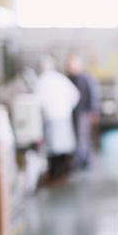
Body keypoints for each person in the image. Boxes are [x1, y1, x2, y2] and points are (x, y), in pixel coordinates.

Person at [34, 55, 80, 183]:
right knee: (64, 147)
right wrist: (68, 107)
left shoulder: (42, 80)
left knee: (53, 149)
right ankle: (62, 175)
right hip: (64, 115)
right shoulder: (60, 78)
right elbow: (75, 95)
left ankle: (55, 176)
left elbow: (38, 101)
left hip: (51, 117)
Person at [64, 53, 100, 169]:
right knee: (77, 137)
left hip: (84, 112)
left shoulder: (86, 79)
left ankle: (83, 160)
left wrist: (93, 111)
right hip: (73, 112)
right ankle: (81, 158)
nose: (70, 67)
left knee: (82, 136)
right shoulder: (68, 79)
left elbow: (93, 95)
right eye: (69, 65)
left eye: (72, 65)